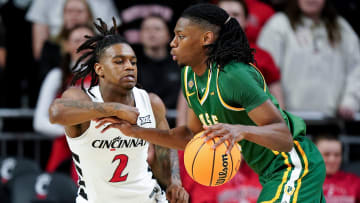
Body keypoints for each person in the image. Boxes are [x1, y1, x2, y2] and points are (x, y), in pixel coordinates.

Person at [96, 4, 327, 202]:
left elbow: (284, 137)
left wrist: (241, 130)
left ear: (206, 39)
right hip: (270, 172)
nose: (172, 43)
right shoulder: (189, 77)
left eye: (181, 36)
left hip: (295, 166)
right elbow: (190, 136)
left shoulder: (234, 75)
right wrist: (134, 131)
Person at [49, 18, 188, 203]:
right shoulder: (82, 98)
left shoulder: (150, 102)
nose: (129, 66)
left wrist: (174, 183)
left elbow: (166, 147)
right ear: (99, 69)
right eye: (119, 61)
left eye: (133, 61)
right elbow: (56, 113)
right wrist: (113, 109)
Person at [257, 0, 360, 119]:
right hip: (288, 119)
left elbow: (356, 69)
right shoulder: (278, 25)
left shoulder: (341, 28)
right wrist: (276, 111)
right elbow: (264, 73)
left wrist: (350, 101)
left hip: (332, 119)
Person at [34, 24, 94, 182]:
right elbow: (39, 121)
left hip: (96, 148)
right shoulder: (57, 75)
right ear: (67, 45)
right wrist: (70, 132)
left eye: (88, 41)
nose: (83, 45)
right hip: (63, 150)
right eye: (76, 40)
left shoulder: (107, 77)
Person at [26, 0, 119, 61]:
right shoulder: (51, 49)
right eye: (69, 11)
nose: (74, 16)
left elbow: (115, 47)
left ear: (89, 15)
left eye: (79, 11)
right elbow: (40, 54)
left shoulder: (101, 47)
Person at [137, 15, 181, 124]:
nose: (151, 33)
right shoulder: (132, 66)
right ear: (140, 36)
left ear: (168, 35)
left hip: (178, 123)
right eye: (146, 29)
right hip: (143, 124)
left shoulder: (181, 64)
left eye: (157, 29)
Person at [313, 134, 360, 203]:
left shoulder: (354, 182)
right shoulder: (303, 182)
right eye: (326, 154)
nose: (332, 160)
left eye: (337, 154)